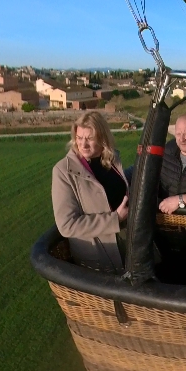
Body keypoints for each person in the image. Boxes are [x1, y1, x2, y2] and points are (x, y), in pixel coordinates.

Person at [51, 111, 129, 270]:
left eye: (90, 138)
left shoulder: (111, 159)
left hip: (129, 242)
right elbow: (67, 225)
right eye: (79, 138)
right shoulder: (63, 171)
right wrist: (115, 219)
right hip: (101, 254)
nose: (83, 144)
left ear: (103, 138)